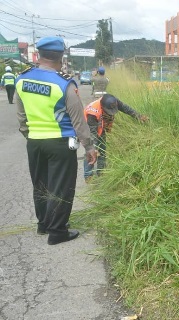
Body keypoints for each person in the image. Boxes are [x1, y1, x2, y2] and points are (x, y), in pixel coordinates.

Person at [15, 36, 97, 245]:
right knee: (61, 187)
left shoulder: (22, 79)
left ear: (40, 55)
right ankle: (58, 231)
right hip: (60, 143)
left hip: (34, 141)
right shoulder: (64, 84)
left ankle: (43, 225)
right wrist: (89, 146)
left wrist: (29, 134)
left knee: (40, 183)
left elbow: (21, 114)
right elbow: (79, 121)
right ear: (61, 56)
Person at [84, 93, 148, 181]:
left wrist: (138, 116)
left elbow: (126, 108)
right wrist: (94, 147)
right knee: (91, 152)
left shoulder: (112, 101)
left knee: (102, 152)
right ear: (102, 107)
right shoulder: (93, 112)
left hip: (100, 128)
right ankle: (88, 176)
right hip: (88, 129)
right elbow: (92, 133)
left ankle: (100, 173)